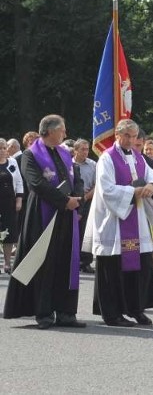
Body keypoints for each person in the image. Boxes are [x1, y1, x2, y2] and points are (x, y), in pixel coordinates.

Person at [4, 114, 85, 329]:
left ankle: (67, 312)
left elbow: (76, 178)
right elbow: (36, 183)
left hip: (67, 216)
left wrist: (76, 199)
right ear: (49, 131)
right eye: (62, 130)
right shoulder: (31, 155)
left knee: (66, 262)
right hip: (42, 216)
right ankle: (44, 312)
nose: (66, 134)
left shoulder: (65, 153)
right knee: (45, 263)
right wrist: (64, 201)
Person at [83, 119, 153, 327]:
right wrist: (133, 192)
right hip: (114, 222)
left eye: (134, 136)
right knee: (113, 267)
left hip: (136, 219)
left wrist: (152, 187)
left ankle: (136, 308)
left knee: (141, 266)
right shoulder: (107, 158)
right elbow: (106, 189)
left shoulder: (139, 157)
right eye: (126, 135)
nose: (130, 140)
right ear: (117, 136)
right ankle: (112, 314)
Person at [72, 138, 97, 274]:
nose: (85, 152)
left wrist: (86, 197)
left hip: (88, 200)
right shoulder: (68, 164)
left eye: (87, 149)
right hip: (72, 200)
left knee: (86, 232)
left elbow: (97, 184)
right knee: (72, 231)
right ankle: (72, 260)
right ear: (75, 150)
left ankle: (86, 262)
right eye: (82, 149)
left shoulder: (93, 165)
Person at [0, 138, 23, 274]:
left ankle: (7, 263)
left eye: (4, 148)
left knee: (8, 234)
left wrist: (19, 200)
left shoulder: (12, 163)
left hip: (9, 203)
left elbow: (19, 182)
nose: (3, 151)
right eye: (0, 148)